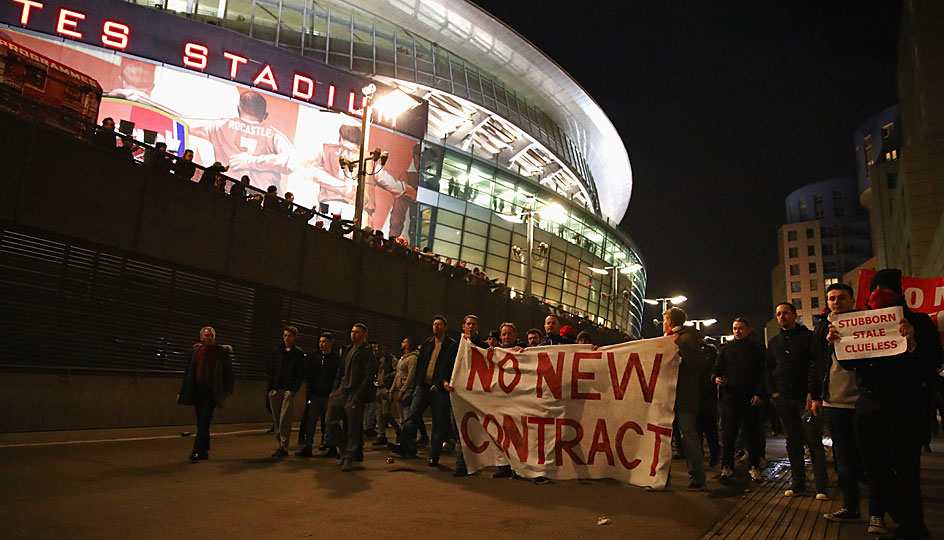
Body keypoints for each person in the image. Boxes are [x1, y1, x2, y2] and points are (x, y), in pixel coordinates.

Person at [834, 269, 942, 540]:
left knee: (906, 469)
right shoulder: (860, 323)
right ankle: (902, 515)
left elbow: (933, 361)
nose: (879, 295)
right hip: (869, 404)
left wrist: (913, 341)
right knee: (870, 467)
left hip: (905, 405)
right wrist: (839, 344)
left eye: (887, 289)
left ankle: (913, 527)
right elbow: (850, 363)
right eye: (875, 290)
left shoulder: (918, 321)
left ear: (900, 293)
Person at [812, 283, 887, 533]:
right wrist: (814, 396)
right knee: (843, 460)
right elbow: (816, 364)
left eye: (841, 297)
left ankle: (877, 514)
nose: (836, 302)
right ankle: (850, 505)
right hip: (833, 402)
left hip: (862, 401)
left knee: (872, 459)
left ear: (853, 300)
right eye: (831, 298)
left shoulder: (865, 322)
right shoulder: (822, 327)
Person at [766, 302, 828, 499]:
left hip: (805, 398)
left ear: (794, 315)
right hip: (783, 398)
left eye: (785, 313)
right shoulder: (775, 342)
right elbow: (768, 368)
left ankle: (821, 486)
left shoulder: (808, 338)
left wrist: (813, 392)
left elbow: (815, 364)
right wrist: (773, 393)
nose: (782, 317)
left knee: (813, 440)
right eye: (778, 314)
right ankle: (798, 483)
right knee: (793, 441)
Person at [188, 90, 296, 193]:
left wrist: (249, 161)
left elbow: (187, 123)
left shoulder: (219, 126)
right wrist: (253, 161)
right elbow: (293, 161)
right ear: (265, 115)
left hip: (226, 190)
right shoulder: (273, 135)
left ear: (238, 109)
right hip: (260, 201)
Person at [389, 316, 456, 464]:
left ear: (445, 327)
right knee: (412, 417)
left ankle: (434, 455)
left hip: (439, 390)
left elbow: (450, 368)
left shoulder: (451, 346)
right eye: (434, 324)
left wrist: (438, 384)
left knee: (438, 423)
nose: (436, 327)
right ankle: (406, 445)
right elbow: (420, 366)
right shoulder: (427, 344)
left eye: (439, 324)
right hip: (423, 387)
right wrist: (419, 383)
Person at [714, 317, 766, 483]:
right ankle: (727, 467)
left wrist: (759, 394)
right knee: (729, 435)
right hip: (731, 398)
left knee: (752, 434)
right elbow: (717, 368)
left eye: (740, 328)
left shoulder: (757, 350)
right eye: (735, 328)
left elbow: (763, 374)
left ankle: (754, 466)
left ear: (748, 329)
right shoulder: (726, 349)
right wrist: (717, 378)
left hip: (750, 398)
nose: (737, 331)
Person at [664, 307, 710, 491]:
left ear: (671, 321)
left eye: (666, 319)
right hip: (668, 395)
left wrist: (680, 343)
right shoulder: (668, 338)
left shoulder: (688, 338)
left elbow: (696, 364)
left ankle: (698, 477)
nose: (664, 323)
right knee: (664, 437)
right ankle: (661, 477)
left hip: (684, 396)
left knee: (688, 435)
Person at [176, 327, 234, 463]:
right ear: (201, 337)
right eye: (207, 335)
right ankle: (204, 451)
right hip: (197, 391)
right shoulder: (196, 351)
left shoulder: (220, 352)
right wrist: (183, 390)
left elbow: (228, 372)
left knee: (204, 421)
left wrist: (227, 390)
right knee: (201, 422)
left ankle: (195, 451)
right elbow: (189, 372)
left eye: (212, 335)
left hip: (210, 391)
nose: (210, 338)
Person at [324, 323, 377, 471]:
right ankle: (345, 449)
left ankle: (349, 457)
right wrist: (335, 389)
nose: (353, 334)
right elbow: (340, 371)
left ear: (364, 335)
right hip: (342, 390)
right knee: (330, 421)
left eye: (357, 332)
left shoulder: (367, 353)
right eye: (352, 331)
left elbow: (367, 377)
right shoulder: (347, 350)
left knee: (353, 428)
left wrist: (358, 395)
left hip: (355, 393)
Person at [442, 314, 488, 477]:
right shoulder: (455, 348)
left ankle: (462, 464)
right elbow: (445, 367)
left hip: (476, 396)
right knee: (458, 429)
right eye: (468, 324)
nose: (471, 326)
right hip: (458, 395)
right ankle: (468, 461)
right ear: (463, 326)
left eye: (474, 324)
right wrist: (445, 381)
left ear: (477, 327)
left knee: (470, 429)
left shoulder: (483, 347)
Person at [297, 332, 341, 457]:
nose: (321, 344)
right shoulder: (314, 357)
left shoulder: (335, 359)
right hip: (315, 394)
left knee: (328, 421)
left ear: (330, 343)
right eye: (320, 341)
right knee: (311, 421)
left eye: (324, 342)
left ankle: (331, 446)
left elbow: (336, 376)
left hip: (328, 395)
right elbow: (309, 373)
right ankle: (308, 446)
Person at [267, 326, 306, 459]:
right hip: (276, 387)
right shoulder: (276, 352)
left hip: (288, 389)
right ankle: (280, 443)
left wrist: (294, 389)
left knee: (285, 417)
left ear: (294, 337)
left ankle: (283, 444)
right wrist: (271, 388)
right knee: (277, 418)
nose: (286, 338)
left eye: (289, 335)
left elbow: (300, 373)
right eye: (284, 335)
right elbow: (271, 369)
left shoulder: (298, 354)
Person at [390, 337, 418, 436]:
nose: (401, 343)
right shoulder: (402, 359)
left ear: (408, 345)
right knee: (401, 416)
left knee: (407, 414)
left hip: (407, 390)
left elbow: (411, 375)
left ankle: (409, 438)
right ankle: (404, 436)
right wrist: (392, 390)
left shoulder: (413, 358)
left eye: (404, 342)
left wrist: (403, 390)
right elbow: (398, 374)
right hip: (399, 389)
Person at [372, 343, 399, 446]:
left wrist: (389, 376)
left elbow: (397, 371)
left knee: (386, 413)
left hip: (386, 388)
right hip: (379, 387)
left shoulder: (392, 359)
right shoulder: (380, 360)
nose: (383, 350)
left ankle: (397, 428)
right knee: (378, 414)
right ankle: (381, 434)